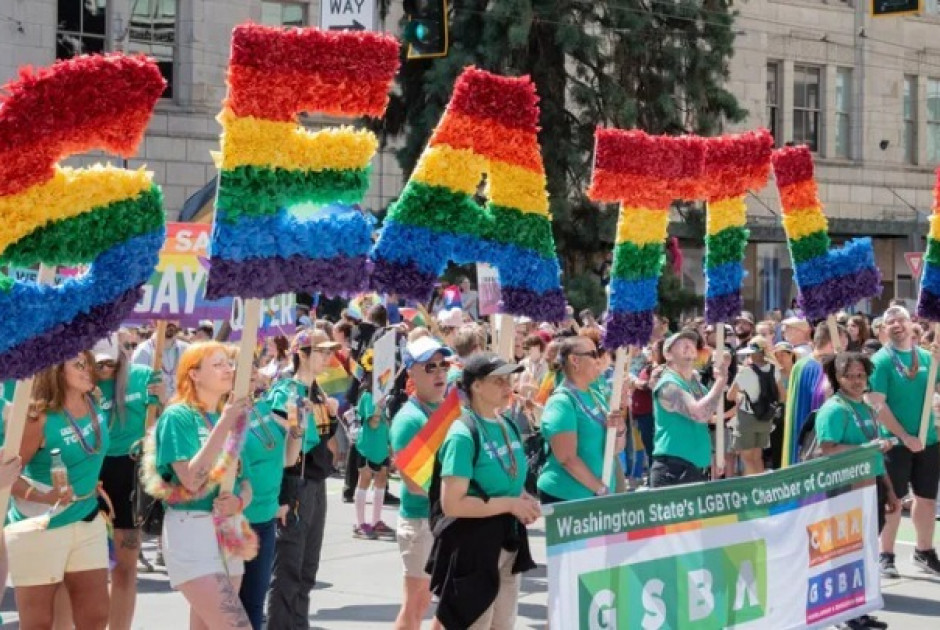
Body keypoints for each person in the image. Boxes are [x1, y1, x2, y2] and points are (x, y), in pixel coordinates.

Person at [428, 353, 539, 628]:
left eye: (508, 379)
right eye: (498, 380)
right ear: (476, 386)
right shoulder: (463, 433)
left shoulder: (508, 424)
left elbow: (511, 480)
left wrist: (523, 499)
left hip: (508, 541)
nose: (507, 386)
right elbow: (453, 504)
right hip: (473, 546)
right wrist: (511, 505)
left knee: (503, 624)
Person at [147, 342, 253, 629]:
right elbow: (192, 480)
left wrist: (239, 502)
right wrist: (226, 423)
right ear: (193, 374)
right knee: (236, 625)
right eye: (217, 364)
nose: (228, 369)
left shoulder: (223, 415)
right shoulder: (177, 416)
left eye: (228, 363)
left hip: (227, 528)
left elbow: (245, 482)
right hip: (191, 528)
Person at [6, 352, 110, 629]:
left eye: (88, 362)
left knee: (97, 614)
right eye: (78, 365)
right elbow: (7, 476)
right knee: (38, 622)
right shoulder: (37, 417)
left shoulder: (94, 401)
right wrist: (43, 496)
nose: (89, 369)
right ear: (56, 371)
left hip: (87, 518)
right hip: (41, 526)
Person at [267, 329, 342, 629]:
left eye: (328, 351)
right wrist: (302, 418)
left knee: (308, 568)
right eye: (321, 351)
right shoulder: (287, 391)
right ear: (303, 353)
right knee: (289, 569)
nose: (327, 357)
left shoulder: (317, 391)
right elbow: (291, 438)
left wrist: (330, 414)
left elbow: (325, 437)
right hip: (294, 483)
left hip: (316, 482)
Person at [816, 352, 896, 630]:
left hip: (870, 487)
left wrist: (890, 490)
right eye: (849, 376)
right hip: (845, 490)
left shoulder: (865, 408)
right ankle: (843, 614)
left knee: (864, 551)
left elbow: (874, 454)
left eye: (860, 375)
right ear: (837, 379)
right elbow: (827, 450)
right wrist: (868, 449)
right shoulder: (834, 410)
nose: (856, 381)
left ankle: (858, 610)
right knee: (845, 552)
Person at [93, 332, 165, 630]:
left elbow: (167, 421)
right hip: (91, 471)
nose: (104, 369)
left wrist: (163, 400)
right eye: (97, 364)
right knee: (88, 571)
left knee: (125, 567)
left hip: (130, 471)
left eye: (110, 362)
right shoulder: (80, 379)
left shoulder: (144, 375)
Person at [868, 306, 940, 577]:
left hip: (927, 441)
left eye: (901, 319)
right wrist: (904, 436)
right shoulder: (880, 361)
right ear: (883, 329)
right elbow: (877, 405)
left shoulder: (927, 358)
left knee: (927, 499)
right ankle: (886, 555)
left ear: (911, 323)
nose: (896, 324)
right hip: (894, 444)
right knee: (893, 501)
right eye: (890, 322)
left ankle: (924, 551)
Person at [389, 337, 454, 630]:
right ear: (412, 372)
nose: (440, 372)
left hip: (449, 518)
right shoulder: (409, 419)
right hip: (422, 521)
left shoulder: (448, 410)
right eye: (430, 367)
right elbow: (415, 485)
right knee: (417, 604)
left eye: (444, 364)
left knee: (450, 601)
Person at [237, 388, 304, 630]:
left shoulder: (263, 408)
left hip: (265, 519)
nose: (255, 373)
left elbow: (287, 459)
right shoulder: (220, 415)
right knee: (229, 606)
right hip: (235, 521)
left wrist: (296, 430)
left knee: (254, 604)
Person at [537, 336, 626, 502]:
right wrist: (600, 490)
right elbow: (567, 458)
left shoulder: (595, 394)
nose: (598, 360)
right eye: (593, 354)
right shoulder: (561, 402)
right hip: (569, 496)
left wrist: (619, 429)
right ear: (574, 360)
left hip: (599, 492)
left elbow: (614, 449)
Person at [650, 331, 729, 488]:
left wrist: (716, 454)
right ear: (668, 354)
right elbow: (699, 413)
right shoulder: (668, 384)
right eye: (680, 343)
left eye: (691, 342)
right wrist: (721, 381)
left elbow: (708, 416)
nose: (689, 345)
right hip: (673, 469)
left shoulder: (697, 386)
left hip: (696, 467)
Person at [783, 322, 847, 467]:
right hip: (814, 438)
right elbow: (823, 398)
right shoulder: (819, 367)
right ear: (832, 344)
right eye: (843, 342)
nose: (845, 347)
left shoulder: (801, 364)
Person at [727, 336, 783, 476]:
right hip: (766, 418)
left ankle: (752, 490)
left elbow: (730, 396)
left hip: (747, 418)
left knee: (747, 459)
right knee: (758, 456)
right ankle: (763, 488)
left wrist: (740, 396)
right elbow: (782, 395)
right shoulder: (774, 369)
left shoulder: (745, 371)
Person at [351, 387, 393, 540]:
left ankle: (376, 521)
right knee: (365, 480)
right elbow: (373, 422)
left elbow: (386, 423)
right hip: (367, 447)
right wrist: (379, 405)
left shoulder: (386, 395)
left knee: (381, 480)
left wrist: (390, 446)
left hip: (381, 446)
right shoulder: (368, 396)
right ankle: (360, 523)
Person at [133, 320, 190, 399]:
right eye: (167, 317)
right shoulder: (144, 351)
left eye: (175, 318)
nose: (171, 322)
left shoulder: (187, 350)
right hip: (153, 408)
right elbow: (136, 389)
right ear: (154, 322)